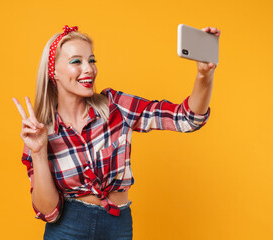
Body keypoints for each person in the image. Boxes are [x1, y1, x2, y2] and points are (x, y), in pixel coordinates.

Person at [12, 25, 220, 240]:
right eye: (77, 61)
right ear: (52, 71)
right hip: (68, 228)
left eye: (91, 60)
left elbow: (187, 118)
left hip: (117, 226)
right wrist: (38, 152)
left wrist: (204, 76)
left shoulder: (116, 107)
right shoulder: (39, 131)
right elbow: (49, 212)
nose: (89, 69)